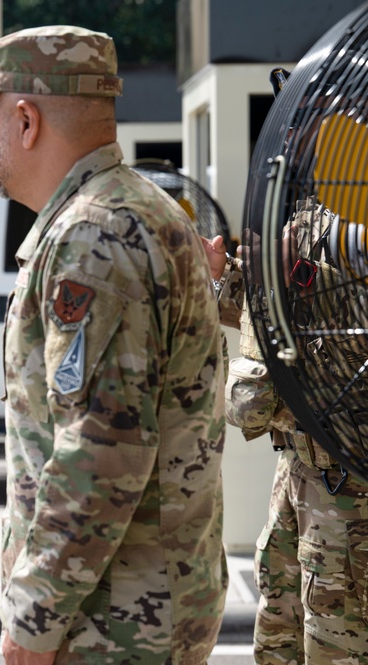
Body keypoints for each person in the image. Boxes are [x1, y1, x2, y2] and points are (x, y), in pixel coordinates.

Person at [0, 26, 227, 664]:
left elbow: (102, 452)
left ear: (25, 121)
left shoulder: (94, 239)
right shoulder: (147, 210)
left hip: (111, 620)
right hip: (142, 603)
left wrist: (34, 617)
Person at [204, 66, 368, 664]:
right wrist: (228, 278)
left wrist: (281, 272)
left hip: (349, 493)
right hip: (298, 474)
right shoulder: (308, 215)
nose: (296, 130)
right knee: (279, 646)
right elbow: (285, 324)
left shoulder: (352, 225)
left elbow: (341, 324)